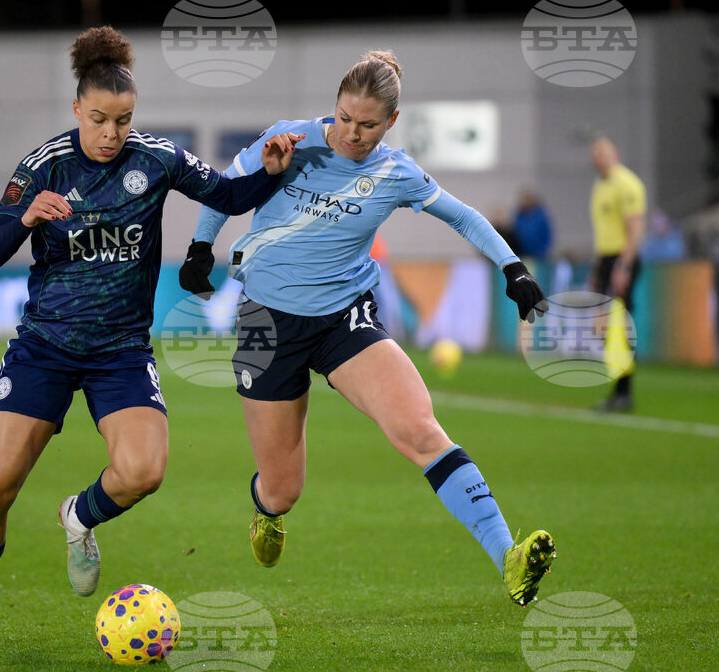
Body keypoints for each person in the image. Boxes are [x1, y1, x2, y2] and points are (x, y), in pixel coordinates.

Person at [0, 26, 301, 650]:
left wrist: (267, 174)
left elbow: (229, 194)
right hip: (45, 347)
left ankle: (78, 516)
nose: (112, 133)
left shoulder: (156, 159)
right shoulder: (44, 165)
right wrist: (25, 218)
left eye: (124, 120)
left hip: (121, 350)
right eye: (100, 119)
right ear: (78, 109)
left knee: (144, 470)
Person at [179, 50, 556, 607]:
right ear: (335, 106)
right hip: (264, 319)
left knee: (421, 430)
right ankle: (265, 511)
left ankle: (508, 556)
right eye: (345, 118)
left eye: (368, 125)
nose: (352, 134)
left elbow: (465, 216)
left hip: (344, 318)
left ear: (391, 123)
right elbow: (223, 186)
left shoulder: (396, 173)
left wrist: (513, 266)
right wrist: (198, 247)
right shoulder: (289, 139)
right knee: (283, 489)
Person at [588, 135, 646, 412]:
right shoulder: (600, 186)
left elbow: (635, 229)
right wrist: (597, 270)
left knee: (619, 328)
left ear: (614, 153)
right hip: (606, 261)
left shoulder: (627, 184)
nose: (596, 158)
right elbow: (603, 233)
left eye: (601, 153)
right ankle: (619, 388)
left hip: (622, 259)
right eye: (594, 154)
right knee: (602, 328)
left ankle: (624, 392)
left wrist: (624, 266)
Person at [512, 188, 553, 259]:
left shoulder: (541, 216)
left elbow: (547, 235)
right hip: (522, 254)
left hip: (539, 255)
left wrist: (543, 250)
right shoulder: (519, 216)